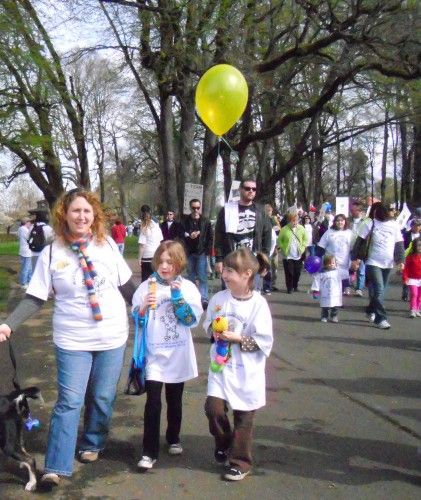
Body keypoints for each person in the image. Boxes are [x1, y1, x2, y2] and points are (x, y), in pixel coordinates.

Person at [0, 189, 137, 487]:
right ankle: (56, 466)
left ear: (94, 215)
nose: (82, 216)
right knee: (70, 401)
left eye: (87, 211)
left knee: (102, 397)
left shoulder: (108, 246)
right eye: (75, 211)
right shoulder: (52, 252)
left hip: (111, 335)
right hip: (72, 339)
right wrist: (8, 325)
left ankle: (92, 441)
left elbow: (127, 287)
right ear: (64, 214)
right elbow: (35, 297)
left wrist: (150, 304)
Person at [203, 248, 273, 481]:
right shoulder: (218, 299)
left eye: (231, 270)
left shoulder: (259, 305)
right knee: (213, 409)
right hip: (221, 368)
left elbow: (264, 342)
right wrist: (214, 331)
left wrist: (238, 338)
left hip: (247, 372)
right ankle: (223, 442)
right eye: (225, 268)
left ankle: (240, 461)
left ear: (247, 274)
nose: (225, 274)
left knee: (244, 420)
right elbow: (208, 327)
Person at [132, 240, 202, 471]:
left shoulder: (188, 288)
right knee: (153, 402)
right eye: (160, 261)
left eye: (169, 262)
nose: (164, 266)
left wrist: (177, 299)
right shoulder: (146, 287)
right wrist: (141, 309)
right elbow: (137, 320)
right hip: (154, 354)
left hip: (178, 353)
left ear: (179, 263)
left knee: (175, 399)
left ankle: (173, 437)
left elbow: (191, 320)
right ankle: (148, 452)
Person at [351, 202, 405, 329]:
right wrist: (356, 259)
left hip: (388, 263)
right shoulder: (371, 223)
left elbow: (399, 244)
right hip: (373, 262)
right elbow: (360, 242)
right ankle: (381, 319)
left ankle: (370, 310)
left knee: (380, 291)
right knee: (379, 289)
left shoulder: (394, 225)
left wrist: (400, 261)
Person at [214, 179, 272, 290]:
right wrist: (219, 259)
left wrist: (265, 260)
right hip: (231, 260)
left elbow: (267, 237)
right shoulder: (227, 210)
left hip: (253, 261)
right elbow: (219, 236)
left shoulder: (260, 211)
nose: (251, 191)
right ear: (240, 190)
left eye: (254, 189)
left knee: (253, 295)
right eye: (247, 188)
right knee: (229, 294)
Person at [182, 199, 213, 309]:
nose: (196, 210)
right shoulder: (185, 221)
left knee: (202, 276)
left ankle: (204, 298)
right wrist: (189, 236)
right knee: (191, 276)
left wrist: (208, 251)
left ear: (200, 208)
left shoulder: (205, 221)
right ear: (190, 208)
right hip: (190, 252)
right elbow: (182, 234)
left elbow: (210, 237)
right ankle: (192, 297)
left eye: (198, 208)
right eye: (193, 208)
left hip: (201, 253)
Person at [317, 214, 353, 295]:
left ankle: (338, 302)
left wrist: (354, 262)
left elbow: (352, 249)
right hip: (331, 263)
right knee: (332, 284)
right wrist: (318, 259)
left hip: (344, 263)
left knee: (342, 286)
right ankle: (331, 303)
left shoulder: (349, 233)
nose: (340, 222)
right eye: (337, 221)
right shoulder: (329, 232)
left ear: (345, 222)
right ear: (334, 222)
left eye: (342, 220)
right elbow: (321, 247)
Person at [277, 212, 308, 293]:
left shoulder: (301, 228)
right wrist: (282, 248)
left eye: (296, 221)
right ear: (289, 221)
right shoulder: (284, 229)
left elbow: (305, 239)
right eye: (293, 221)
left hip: (298, 254)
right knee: (289, 273)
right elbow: (279, 240)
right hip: (288, 255)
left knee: (297, 272)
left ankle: (295, 285)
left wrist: (303, 247)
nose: (294, 222)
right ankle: (289, 287)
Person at [313, 254, 342, 323]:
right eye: (329, 263)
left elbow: (345, 275)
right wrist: (316, 291)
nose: (331, 265)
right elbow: (316, 281)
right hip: (325, 292)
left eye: (333, 263)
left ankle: (334, 316)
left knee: (335, 305)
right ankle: (324, 316)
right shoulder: (321, 273)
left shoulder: (338, 272)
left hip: (335, 293)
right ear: (325, 264)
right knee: (325, 306)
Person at [138, 205, 163, 281]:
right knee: (155, 279)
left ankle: (147, 292)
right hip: (156, 255)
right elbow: (160, 241)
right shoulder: (157, 226)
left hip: (147, 256)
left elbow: (142, 245)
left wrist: (139, 258)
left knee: (146, 280)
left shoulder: (144, 227)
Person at [348, 201, 367, 296]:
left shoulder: (365, 221)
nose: (352, 211)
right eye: (351, 210)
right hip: (349, 247)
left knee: (361, 269)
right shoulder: (348, 221)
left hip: (360, 248)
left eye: (354, 210)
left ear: (359, 211)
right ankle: (347, 286)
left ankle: (359, 288)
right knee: (348, 268)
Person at [402, 218, 421, 301]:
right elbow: (402, 245)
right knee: (407, 275)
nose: (417, 227)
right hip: (407, 257)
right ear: (411, 226)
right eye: (415, 226)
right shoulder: (406, 235)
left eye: (419, 226)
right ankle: (405, 293)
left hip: (418, 258)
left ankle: (416, 294)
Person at [402, 236, 421, 318]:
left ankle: (417, 309)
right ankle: (412, 309)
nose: (420, 247)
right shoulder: (410, 257)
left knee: (419, 296)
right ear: (414, 246)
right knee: (414, 294)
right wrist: (405, 277)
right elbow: (406, 268)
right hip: (412, 279)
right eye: (418, 245)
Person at [17, 217, 33, 290]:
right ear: (26, 222)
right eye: (30, 222)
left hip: (25, 251)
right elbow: (30, 238)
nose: (31, 223)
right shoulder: (24, 229)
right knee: (26, 268)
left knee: (29, 268)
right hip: (26, 251)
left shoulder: (20, 229)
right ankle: (23, 283)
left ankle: (29, 281)